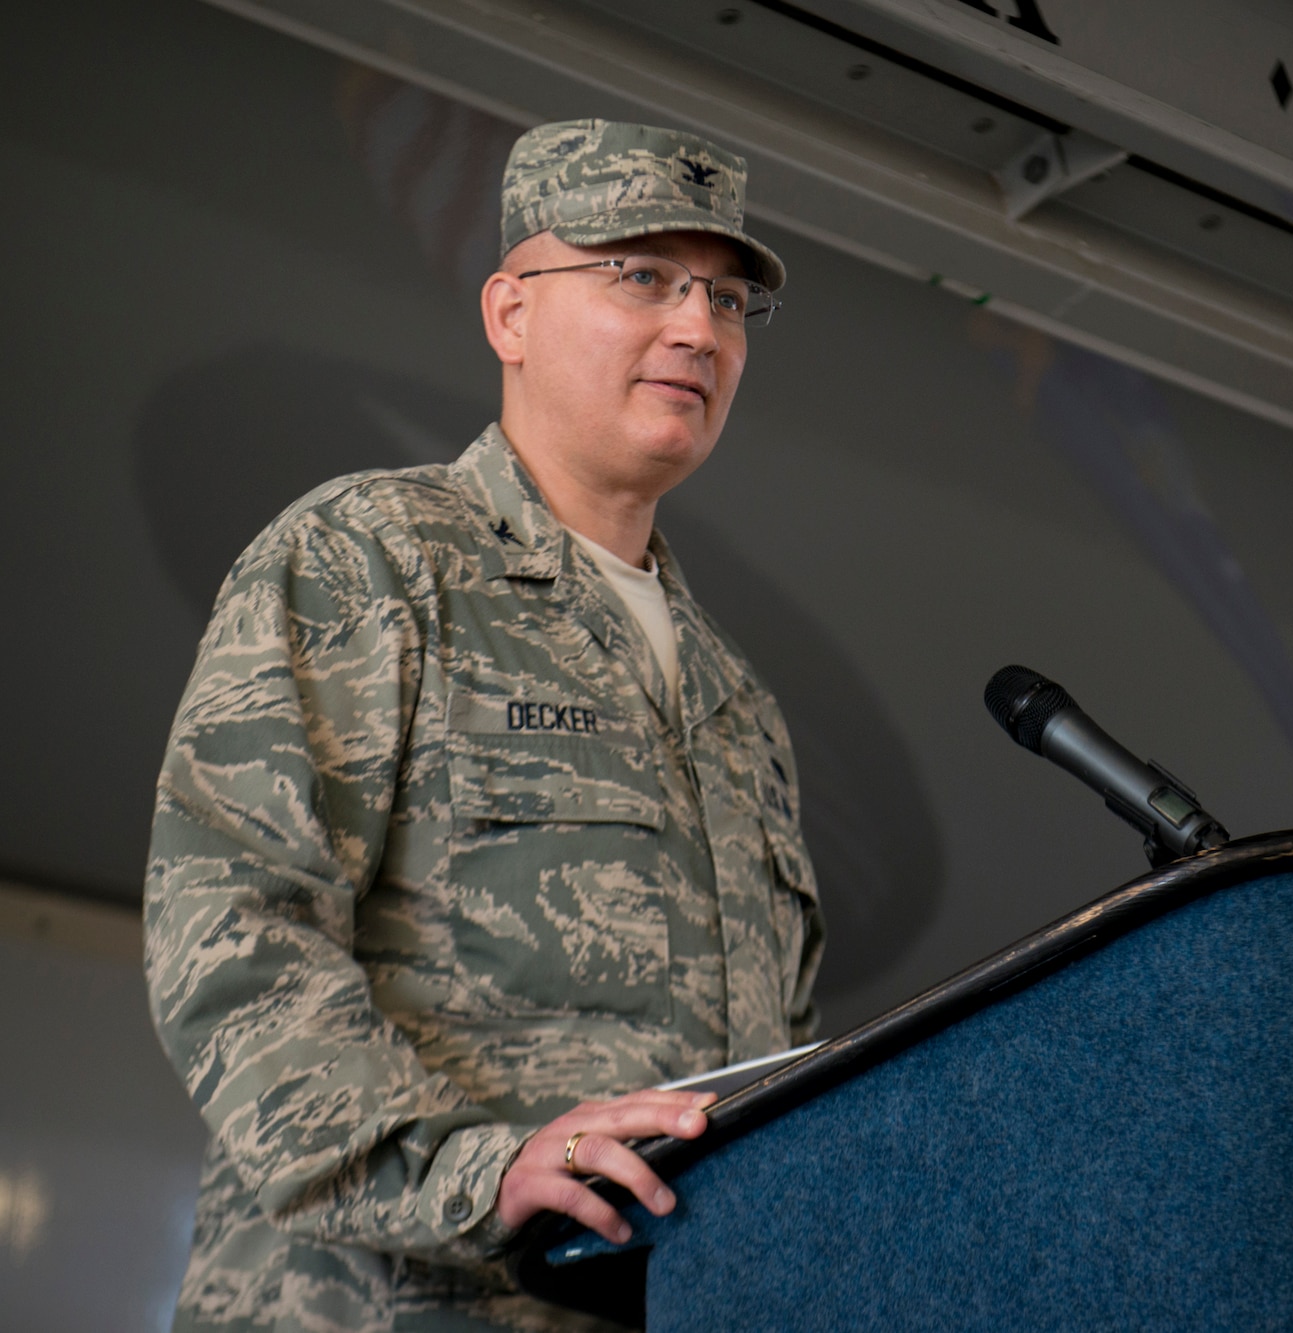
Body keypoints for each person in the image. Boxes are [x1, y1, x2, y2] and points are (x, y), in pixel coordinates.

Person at [143, 119, 824, 1332]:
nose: (695, 328)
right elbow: (232, 937)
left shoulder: (739, 704)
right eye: (639, 276)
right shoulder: (371, 557)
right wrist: (474, 1173)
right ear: (510, 314)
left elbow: (786, 1074)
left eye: (725, 300)